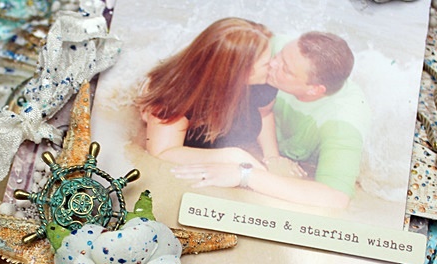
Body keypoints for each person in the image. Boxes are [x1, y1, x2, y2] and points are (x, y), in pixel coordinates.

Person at [172, 31, 371, 209]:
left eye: (286, 69)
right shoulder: (280, 50)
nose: (272, 64)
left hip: (301, 161)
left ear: (314, 90)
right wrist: (272, 157)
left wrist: (245, 175)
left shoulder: (343, 122)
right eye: (279, 55)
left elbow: (336, 198)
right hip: (253, 144)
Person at [137, 18, 278, 170]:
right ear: (241, 73)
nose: (274, 65)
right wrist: (231, 156)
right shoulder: (175, 94)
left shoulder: (265, 81)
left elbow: (264, 113)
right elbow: (162, 152)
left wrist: (272, 157)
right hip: (176, 104)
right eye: (266, 63)